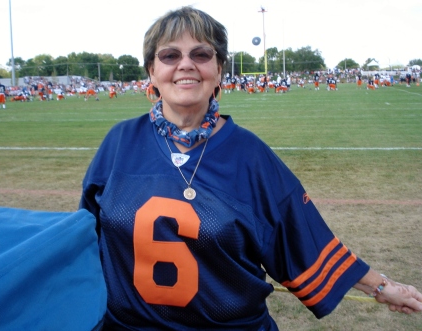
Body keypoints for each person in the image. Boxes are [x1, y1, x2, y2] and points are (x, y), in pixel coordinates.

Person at [79, 6, 422, 331]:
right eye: (170, 55)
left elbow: (303, 240)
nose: (185, 64)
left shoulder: (252, 156)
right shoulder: (119, 142)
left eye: (201, 54)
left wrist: (382, 287)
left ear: (219, 71)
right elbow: (83, 238)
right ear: (152, 71)